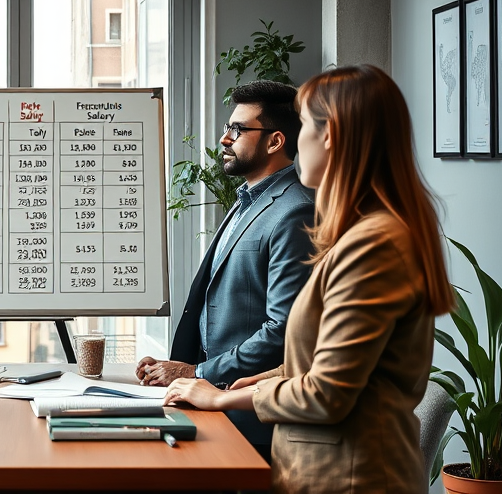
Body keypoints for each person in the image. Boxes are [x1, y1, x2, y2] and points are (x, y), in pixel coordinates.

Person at [164, 65, 455, 493]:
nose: (299, 144)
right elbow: (329, 363)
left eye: (305, 129)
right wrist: (261, 380)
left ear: (330, 136)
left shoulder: (374, 246)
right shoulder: (366, 233)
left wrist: (223, 396)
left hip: (350, 477)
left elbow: (328, 393)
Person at [135, 80, 315, 457]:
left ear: (275, 141)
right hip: (213, 405)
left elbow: (283, 331)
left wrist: (198, 375)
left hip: (250, 421)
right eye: (226, 128)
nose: (224, 139)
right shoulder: (247, 199)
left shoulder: (295, 210)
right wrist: (181, 367)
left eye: (238, 129)